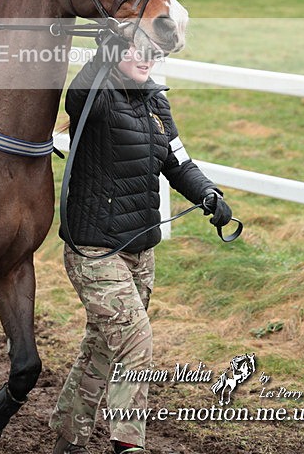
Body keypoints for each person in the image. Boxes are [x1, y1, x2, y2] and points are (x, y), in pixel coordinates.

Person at [50, 34, 233, 454]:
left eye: (156, 53)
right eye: (140, 51)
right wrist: (104, 47)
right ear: (116, 51)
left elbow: (178, 161)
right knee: (135, 342)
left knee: (100, 346)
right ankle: (127, 443)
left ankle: (67, 437)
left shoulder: (155, 103)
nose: (150, 60)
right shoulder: (95, 95)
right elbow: (77, 95)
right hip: (95, 250)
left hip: (139, 251)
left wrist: (209, 195)